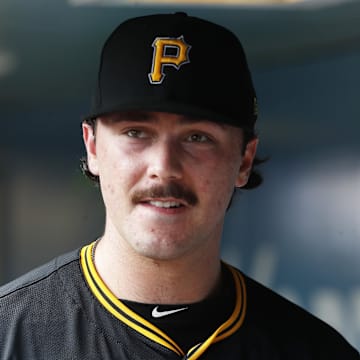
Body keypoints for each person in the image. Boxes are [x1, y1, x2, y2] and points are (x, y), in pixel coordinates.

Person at [0, 12, 358, 360]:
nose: (164, 168)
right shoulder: (9, 335)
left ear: (244, 160)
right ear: (92, 147)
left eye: (197, 137)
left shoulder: (315, 350)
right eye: (136, 133)